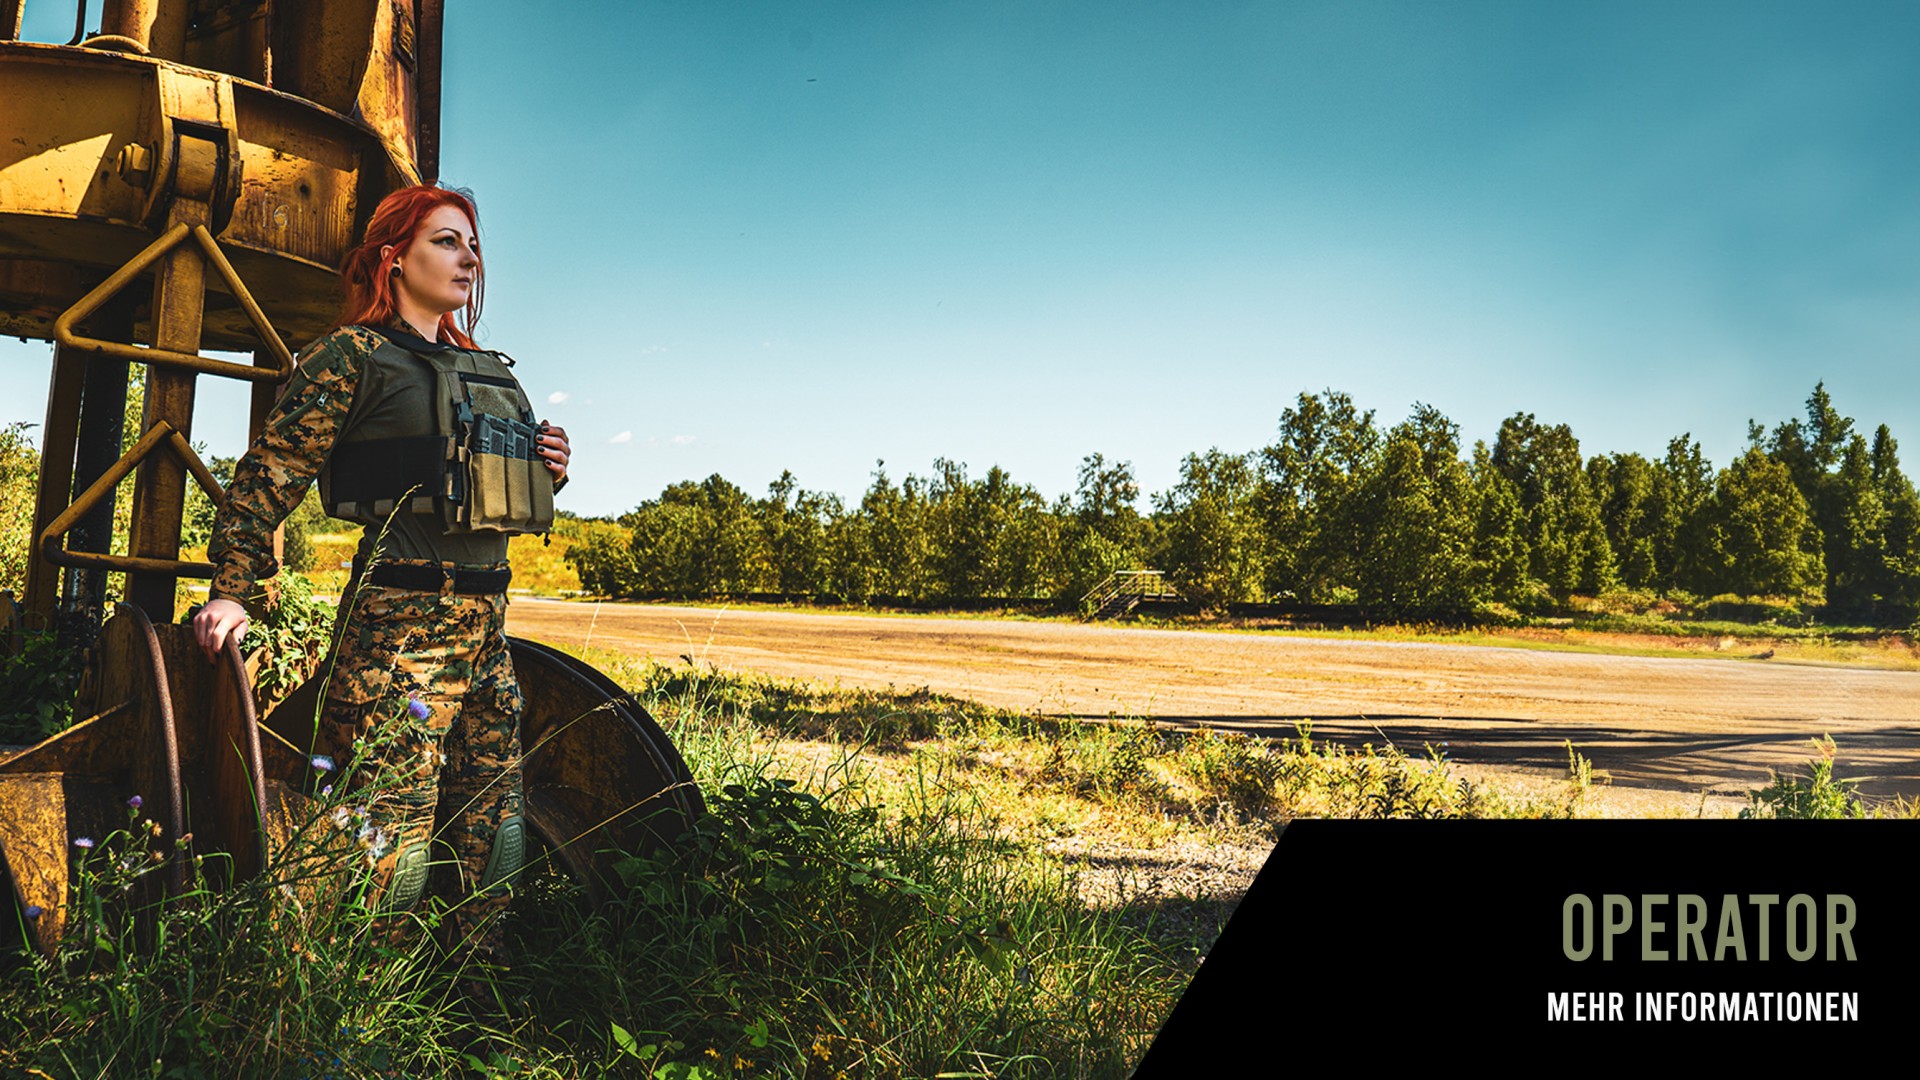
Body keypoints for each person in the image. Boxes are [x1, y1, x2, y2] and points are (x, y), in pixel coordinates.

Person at [193, 184, 570, 957]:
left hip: (487, 632)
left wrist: (549, 470)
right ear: (394, 258)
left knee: (494, 828)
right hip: (400, 632)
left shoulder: (489, 370)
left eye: (473, 244)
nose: (468, 259)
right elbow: (267, 479)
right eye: (446, 241)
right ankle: (355, 994)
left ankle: (470, 985)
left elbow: (482, 494)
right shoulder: (352, 357)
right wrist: (232, 593)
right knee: (384, 836)